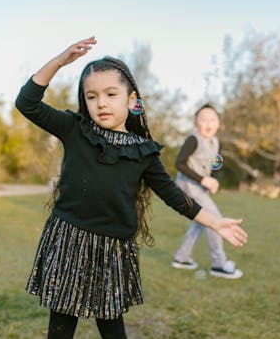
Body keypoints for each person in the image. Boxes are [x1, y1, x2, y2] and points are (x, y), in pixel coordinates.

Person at [15, 37, 248, 339]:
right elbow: (27, 104)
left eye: (111, 94)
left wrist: (215, 222)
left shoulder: (144, 151)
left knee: (112, 327)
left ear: (131, 100)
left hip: (113, 249)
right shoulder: (74, 129)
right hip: (69, 239)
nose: (101, 102)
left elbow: (175, 196)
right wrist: (59, 62)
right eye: (92, 96)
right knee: (60, 326)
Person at [171, 104, 243, 279]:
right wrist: (203, 179)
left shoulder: (215, 142)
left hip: (200, 188)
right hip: (188, 186)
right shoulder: (193, 140)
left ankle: (182, 258)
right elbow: (179, 163)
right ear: (196, 123)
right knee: (215, 220)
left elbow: (215, 164)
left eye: (212, 119)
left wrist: (215, 180)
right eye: (203, 119)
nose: (208, 123)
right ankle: (218, 264)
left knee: (200, 222)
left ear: (218, 123)